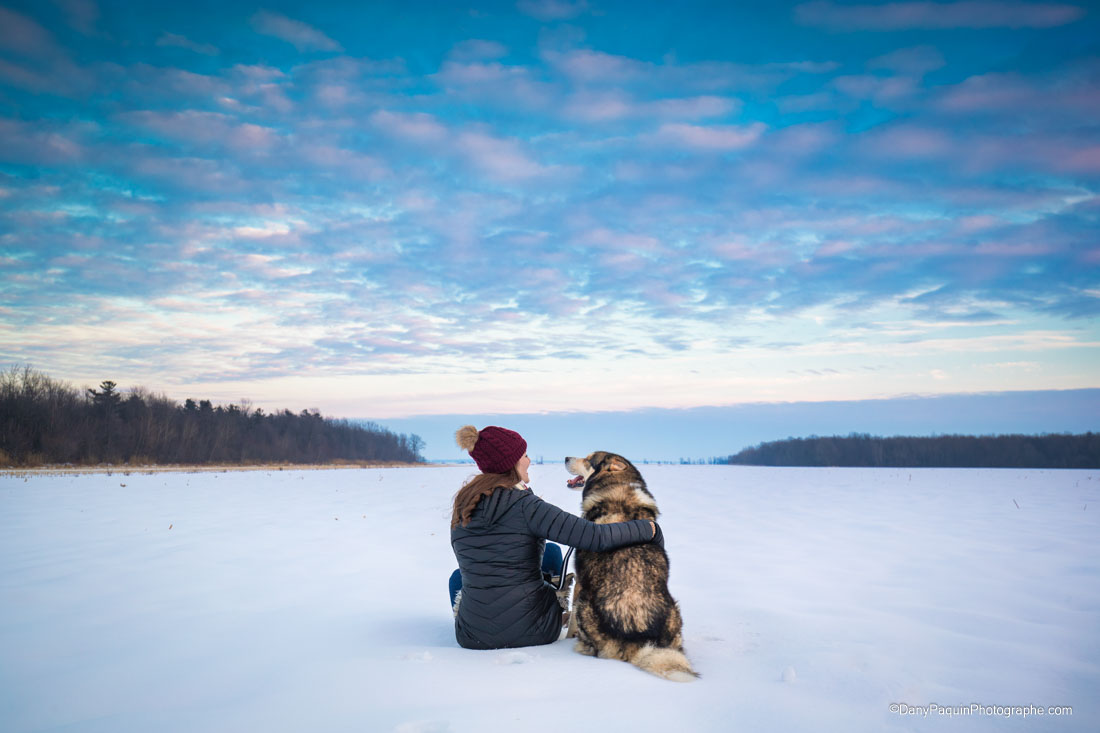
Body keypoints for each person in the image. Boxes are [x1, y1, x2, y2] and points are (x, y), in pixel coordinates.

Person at [448, 425, 660, 650]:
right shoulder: (525, 506)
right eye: (525, 455)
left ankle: (483, 621)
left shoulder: (465, 503)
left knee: (459, 578)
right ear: (511, 463)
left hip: (471, 637)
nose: (529, 461)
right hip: (533, 630)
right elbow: (595, 536)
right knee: (552, 554)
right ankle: (550, 605)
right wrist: (648, 529)